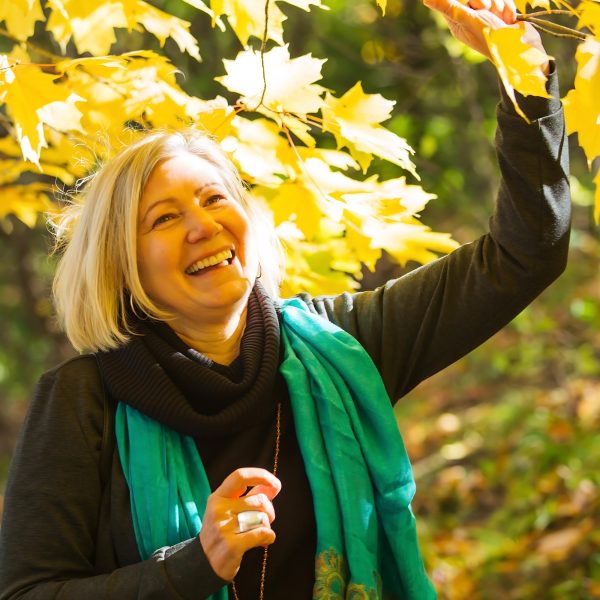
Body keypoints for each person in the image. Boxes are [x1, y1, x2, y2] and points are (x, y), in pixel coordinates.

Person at [0, 0, 571, 598]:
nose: (203, 226)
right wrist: (194, 565)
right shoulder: (82, 403)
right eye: (164, 218)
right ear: (120, 264)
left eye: (216, 199)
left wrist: (522, 69)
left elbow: (524, 254)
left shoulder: (339, 346)